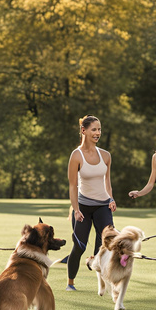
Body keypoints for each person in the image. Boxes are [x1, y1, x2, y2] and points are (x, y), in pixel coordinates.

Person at [66, 115, 116, 291]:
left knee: (106, 246)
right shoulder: (76, 156)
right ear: (83, 131)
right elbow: (73, 186)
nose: (98, 133)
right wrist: (76, 209)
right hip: (83, 207)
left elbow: (107, 182)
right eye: (94, 129)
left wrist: (111, 199)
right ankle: (70, 282)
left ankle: (101, 277)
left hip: (103, 205)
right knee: (79, 246)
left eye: (99, 129)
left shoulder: (106, 155)